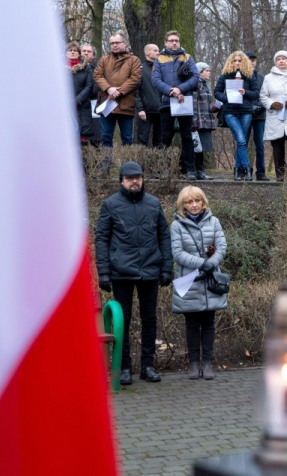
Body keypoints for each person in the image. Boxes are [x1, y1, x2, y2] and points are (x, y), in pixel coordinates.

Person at [95, 162, 172, 385]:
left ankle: (148, 365)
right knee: (123, 320)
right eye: (130, 178)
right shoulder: (110, 204)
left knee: (149, 318)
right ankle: (124, 366)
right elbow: (102, 239)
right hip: (121, 271)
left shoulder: (153, 203)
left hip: (150, 269)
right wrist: (104, 272)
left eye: (138, 177)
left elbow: (164, 236)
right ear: (121, 180)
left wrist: (167, 267)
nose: (134, 181)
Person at [171, 186, 227, 380]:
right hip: (189, 280)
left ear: (203, 202)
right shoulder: (177, 225)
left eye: (197, 201)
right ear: (183, 204)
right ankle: (194, 363)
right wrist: (202, 264)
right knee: (192, 324)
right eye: (189, 202)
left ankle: (208, 363)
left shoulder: (215, 221)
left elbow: (222, 246)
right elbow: (178, 253)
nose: (194, 205)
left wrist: (210, 264)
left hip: (211, 280)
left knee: (209, 323)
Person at [152, 30, 200, 179]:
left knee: (187, 136)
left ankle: (190, 170)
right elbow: (155, 80)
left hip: (184, 101)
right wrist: (170, 91)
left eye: (176, 40)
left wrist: (181, 89)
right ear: (165, 42)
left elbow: (196, 78)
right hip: (167, 103)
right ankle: (164, 170)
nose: (174, 43)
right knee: (165, 137)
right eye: (171, 40)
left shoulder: (187, 57)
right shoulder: (159, 59)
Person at [214, 51, 260, 181]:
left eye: (240, 60)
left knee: (242, 142)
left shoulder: (250, 76)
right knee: (240, 140)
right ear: (231, 62)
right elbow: (217, 92)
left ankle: (236, 170)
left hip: (246, 111)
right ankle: (247, 169)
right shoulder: (225, 76)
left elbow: (256, 94)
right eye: (235, 60)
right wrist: (226, 98)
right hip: (230, 112)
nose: (237, 63)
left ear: (244, 62)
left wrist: (245, 92)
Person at [93, 32, 142, 149]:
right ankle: (106, 166)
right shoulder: (104, 60)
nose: (114, 45)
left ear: (124, 43)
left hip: (126, 104)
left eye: (117, 42)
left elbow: (135, 78)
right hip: (107, 103)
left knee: (127, 138)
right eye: (112, 43)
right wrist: (109, 89)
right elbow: (97, 76)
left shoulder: (134, 60)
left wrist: (119, 92)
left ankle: (127, 166)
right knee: (105, 137)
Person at [259, 50, 287, 181]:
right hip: (275, 117)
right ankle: (280, 176)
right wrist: (272, 104)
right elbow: (263, 96)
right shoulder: (268, 78)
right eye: (278, 59)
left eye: (284, 58)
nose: (281, 61)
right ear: (275, 62)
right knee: (277, 148)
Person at [245, 51, 269, 181]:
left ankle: (261, 172)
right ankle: (245, 170)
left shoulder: (261, 77)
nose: (252, 62)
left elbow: (266, 95)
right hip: (244, 114)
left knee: (259, 144)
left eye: (253, 60)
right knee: (243, 143)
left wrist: (259, 107)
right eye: (249, 59)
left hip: (260, 115)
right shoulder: (240, 76)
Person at [192, 62, 216, 181]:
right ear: (200, 72)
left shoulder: (205, 84)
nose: (209, 73)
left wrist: (215, 108)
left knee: (202, 147)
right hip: (198, 121)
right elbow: (194, 103)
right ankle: (198, 171)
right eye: (206, 70)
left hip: (206, 120)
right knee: (197, 147)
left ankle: (200, 170)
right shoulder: (196, 84)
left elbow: (206, 104)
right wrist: (193, 122)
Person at [135, 44, 162, 147]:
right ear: (147, 52)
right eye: (155, 50)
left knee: (160, 141)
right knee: (142, 140)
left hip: (161, 110)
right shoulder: (140, 69)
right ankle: (142, 163)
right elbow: (136, 91)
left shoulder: (161, 69)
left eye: (158, 50)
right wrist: (140, 109)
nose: (158, 52)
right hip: (146, 110)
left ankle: (158, 163)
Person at [67, 41, 94, 144]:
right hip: (64, 106)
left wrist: (77, 100)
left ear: (79, 53)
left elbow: (89, 85)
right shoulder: (58, 68)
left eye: (75, 51)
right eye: (70, 50)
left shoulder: (86, 68)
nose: (73, 52)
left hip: (82, 107)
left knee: (81, 142)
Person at [81, 43, 101, 146]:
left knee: (95, 139)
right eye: (83, 51)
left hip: (93, 104)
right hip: (79, 106)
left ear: (93, 56)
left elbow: (98, 86)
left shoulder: (98, 69)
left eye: (88, 52)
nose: (85, 53)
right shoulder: (74, 68)